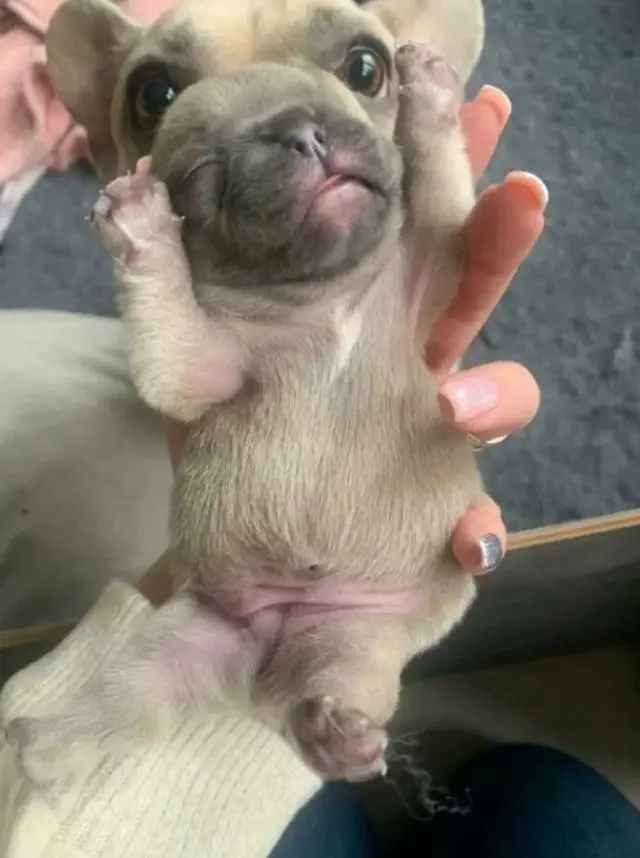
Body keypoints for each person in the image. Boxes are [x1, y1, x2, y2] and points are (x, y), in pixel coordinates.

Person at [5, 84, 631, 858]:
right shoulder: (239, 320)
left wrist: (434, 128)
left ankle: (325, 713)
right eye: (218, 171)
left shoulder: (405, 285)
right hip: (228, 603)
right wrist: (152, 262)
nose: (308, 147)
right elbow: (179, 375)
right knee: (555, 798)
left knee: (361, 675)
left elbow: (444, 229)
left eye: (327, 123)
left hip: (373, 603)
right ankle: (120, 740)